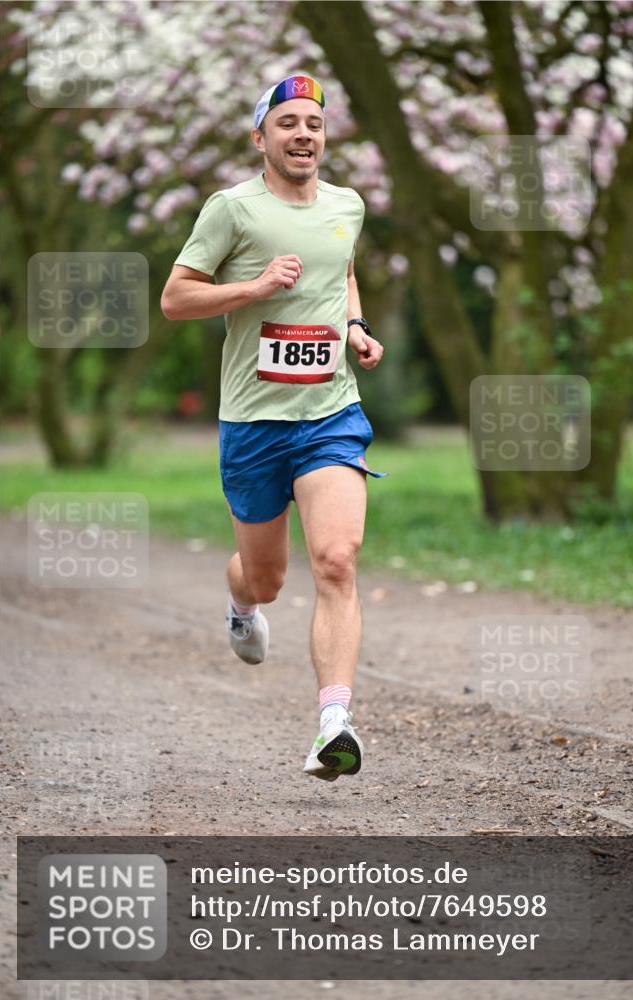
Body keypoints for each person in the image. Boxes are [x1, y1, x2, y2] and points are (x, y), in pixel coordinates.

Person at [161, 73, 385, 782]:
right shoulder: (232, 209)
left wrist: (353, 325)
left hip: (330, 414)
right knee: (266, 580)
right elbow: (175, 299)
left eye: (313, 125)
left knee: (337, 561)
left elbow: (340, 268)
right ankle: (238, 605)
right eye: (287, 123)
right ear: (261, 138)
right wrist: (252, 289)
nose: (303, 135)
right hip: (255, 421)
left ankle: (333, 724)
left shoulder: (346, 204)